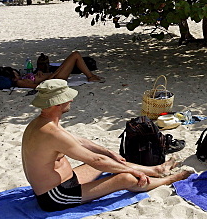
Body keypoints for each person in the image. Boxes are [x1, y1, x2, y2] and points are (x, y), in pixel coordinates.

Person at [22, 79, 190, 211]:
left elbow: (81, 141)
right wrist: (131, 170)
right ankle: (168, 180)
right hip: (56, 197)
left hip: (67, 182)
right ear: (57, 103)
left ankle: (157, 170)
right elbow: (96, 160)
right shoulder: (51, 132)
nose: (71, 99)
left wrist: (109, 153)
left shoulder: (43, 123)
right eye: (67, 98)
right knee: (125, 177)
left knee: (112, 161)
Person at [14, 51, 102, 88]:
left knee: (75, 55)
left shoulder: (21, 78)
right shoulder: (20, 82)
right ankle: (90, 76)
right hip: (55, 79)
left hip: (53, 76)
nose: (16, 73)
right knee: (75, 55)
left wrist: (39, 72)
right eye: (14, 73)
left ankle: (91, 76)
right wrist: (53, 75)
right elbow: (40, 87)